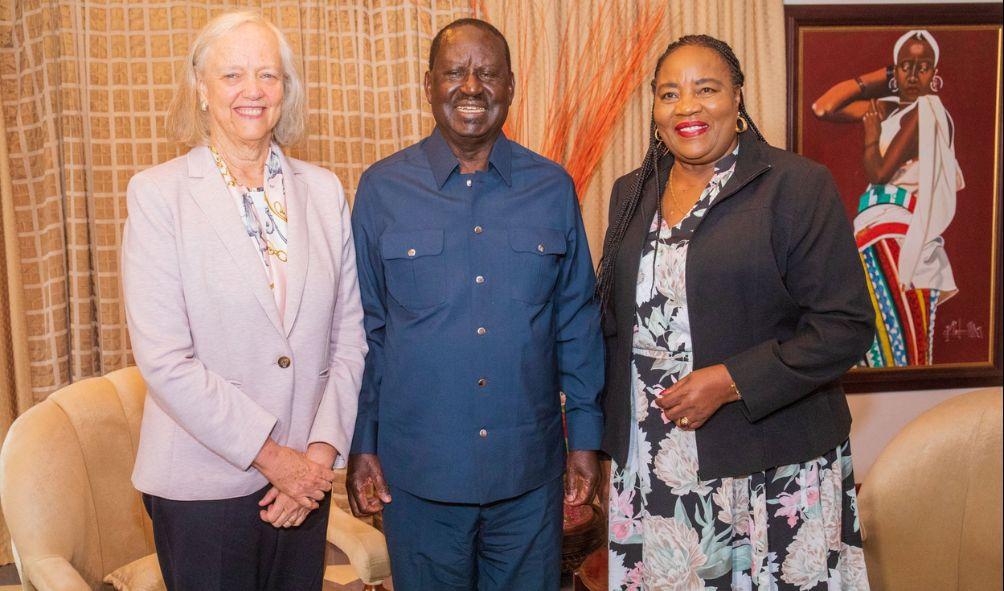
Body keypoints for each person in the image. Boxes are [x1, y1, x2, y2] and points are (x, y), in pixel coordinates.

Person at [597, 35, 875, 590]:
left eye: (707, 89)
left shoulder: (796, 186)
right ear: (654, 108)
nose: (688, 107)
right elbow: (613, 325)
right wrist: (604, 440)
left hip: (768, 463)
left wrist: (730, 382)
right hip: (652, 464)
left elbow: (845, 327)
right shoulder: (631, 192)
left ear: (738, 96)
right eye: (670, 93)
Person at [347, 18, 604, 591]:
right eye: (454, 73)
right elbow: (366, 330)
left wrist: (585, 440)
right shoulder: (382, 189)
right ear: (428, 84)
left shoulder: (552, 187)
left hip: (527, 475)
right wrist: (362, 442)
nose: (471, 88)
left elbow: (577, 324)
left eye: (487, 73)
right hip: (419, 477)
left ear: (510, 86)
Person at [121, 10, 366, 590]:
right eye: (231, 75)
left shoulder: (325, 190)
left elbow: (350, 336)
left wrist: (319, 456)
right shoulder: (159, 195)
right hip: (203, 486)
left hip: (305, 483)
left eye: (268, 75)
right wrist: (275, 460)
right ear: (201, 90)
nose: (252, 91)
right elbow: (165, 359)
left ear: (286, 90)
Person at [813, 29, 964, 367]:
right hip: (872, 233)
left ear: (934, 75)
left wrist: (871, 136)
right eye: (905, 66)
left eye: (923, 66)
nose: (913, 75)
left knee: (892, 351)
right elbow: (823, 107)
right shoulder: (892, 108)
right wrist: (882, 78)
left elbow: (879, 174)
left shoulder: (926, 112)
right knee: (871, 347)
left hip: (897, 238)